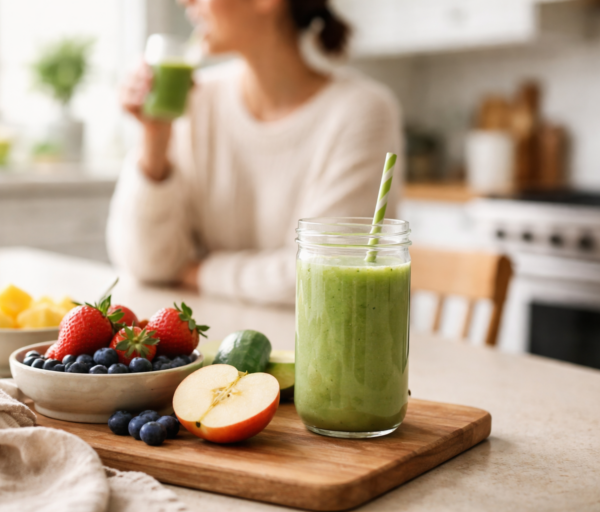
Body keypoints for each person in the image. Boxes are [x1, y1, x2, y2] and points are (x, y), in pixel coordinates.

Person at [108, 0, 403, 306]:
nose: (185, 1)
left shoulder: (361, 110)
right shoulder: (197, 99)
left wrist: (195, 271)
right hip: (213, 339)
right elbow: (146, 263)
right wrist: (155, 138)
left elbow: (327, 276)